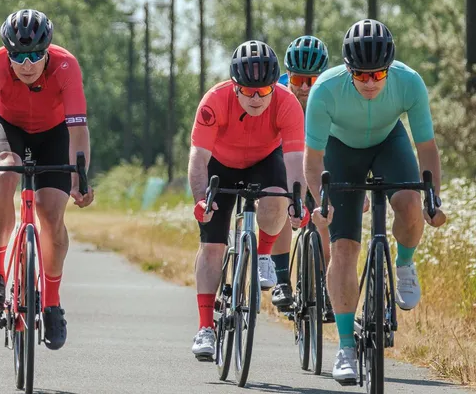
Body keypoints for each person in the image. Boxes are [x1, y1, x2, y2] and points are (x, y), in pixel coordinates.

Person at [303, 19, 447, 384]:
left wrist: (434, 198)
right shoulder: (325, 89)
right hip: (340, 152)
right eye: (361, 75)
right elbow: (313, 156)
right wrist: (322, 200)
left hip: (388, 143)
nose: (370, 82)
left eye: (378, 74)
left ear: (390, 67)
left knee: (411, 203)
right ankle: (347, 347)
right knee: (345, 248)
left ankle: (404, 265)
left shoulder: (409, 82)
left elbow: (426, 148)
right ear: (348, 69)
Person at [0, 9, 95, 351]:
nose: (26, 63)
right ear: (7, 52)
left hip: (54, 135)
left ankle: (52, 304)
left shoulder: (66, 66)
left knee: (51, 215)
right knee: (5, 171)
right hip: (11, 131)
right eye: (18, 56)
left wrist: (81, 177)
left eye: (36, 55)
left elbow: (78, 130)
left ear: (47, 50)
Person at [187, 40, 308, 361]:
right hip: (219, 166)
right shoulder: (214, 100)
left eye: (264, 91)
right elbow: (198, 157)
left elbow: (296, 161)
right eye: (248, 91)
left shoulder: (287, 103)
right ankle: (204, 328)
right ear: (234, 86)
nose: (255, 98)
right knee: (212, 245)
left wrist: (298, 200)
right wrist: (201, 201)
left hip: (264, 162)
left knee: (277, 197)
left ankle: (264, 255)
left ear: (274, 87)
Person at [268, 35, 334, 317]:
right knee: (283, 202)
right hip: (283, 158)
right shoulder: (274, 93)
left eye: (312, 80)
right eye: (298, 80)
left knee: (326, 218)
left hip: (319, 160)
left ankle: (325, 287)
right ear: (287, 75)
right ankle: (281, 281)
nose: (305, 88)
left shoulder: (332, 94)